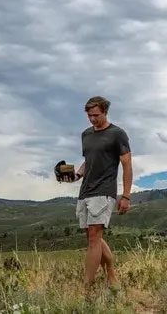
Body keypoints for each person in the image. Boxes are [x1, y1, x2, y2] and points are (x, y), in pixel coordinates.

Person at [57, 95, 133, 294]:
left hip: (104, 191)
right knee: (92, 238)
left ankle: (87, 289)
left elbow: (127, 164)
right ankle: (111, 274)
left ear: (105, 112)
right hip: (85, 192)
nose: (92, 119)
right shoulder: (86, 135)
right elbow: (88, 162)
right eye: (89, 115)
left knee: (94, 237)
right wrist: (75, 176)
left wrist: (126, 196)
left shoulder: (118, 134)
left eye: (96, 115)